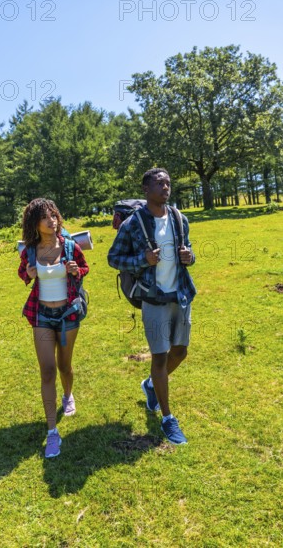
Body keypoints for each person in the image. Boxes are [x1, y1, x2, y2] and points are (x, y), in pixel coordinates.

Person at [108, 168, 196, 445]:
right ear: (146, 189)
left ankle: (150, 385)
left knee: (180, 353)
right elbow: (114, 258)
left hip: (180, 295)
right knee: (159, 357)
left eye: (168, 182)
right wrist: (142, 261)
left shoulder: (179, 218)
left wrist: (189, 256)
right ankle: (168, 419)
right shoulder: (133, 224)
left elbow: (190, 252)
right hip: (153, 298)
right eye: (159, 183)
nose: (166, 187)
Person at [18, 198, 89, 458]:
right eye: (46, 217)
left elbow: (84, 268)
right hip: (42, 315)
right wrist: (29, 273)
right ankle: (51, 432)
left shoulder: (69, 246)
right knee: (47, 371)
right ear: (35, 223)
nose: (52, 220)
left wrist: (75, 270)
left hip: (68, 313)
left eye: (54, 216)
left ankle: (68, 395)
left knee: (64, 366)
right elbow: (23, 274)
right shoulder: (30, 251)